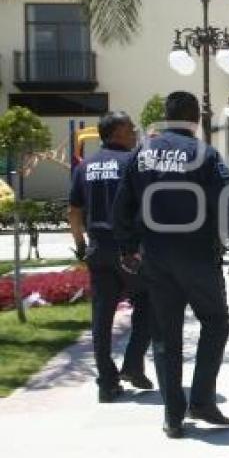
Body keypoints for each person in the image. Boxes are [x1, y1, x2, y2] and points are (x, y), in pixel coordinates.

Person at [113, 91, 229, 439]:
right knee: (215, 322)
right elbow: (226, 204)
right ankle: (201, 400)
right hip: (198, 255)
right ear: (196, 120)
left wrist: (128, 248)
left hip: (156, 257)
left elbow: (122, 206)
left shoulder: (141, 154)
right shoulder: (205, 154)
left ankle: (173, 416)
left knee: (165, 336)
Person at [68, 112, 153, 403]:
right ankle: (132, 364)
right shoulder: (133, 162)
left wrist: (81, 246)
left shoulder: (85, 166)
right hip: (129, 251)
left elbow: (74, 212)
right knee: (149, 304)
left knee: (101, 319)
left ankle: (107, 382)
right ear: (117, 132)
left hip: (98, 249)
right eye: (130, 128)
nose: (134, 132)